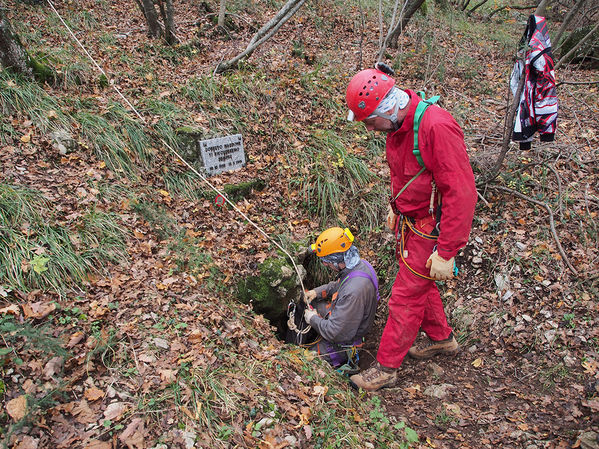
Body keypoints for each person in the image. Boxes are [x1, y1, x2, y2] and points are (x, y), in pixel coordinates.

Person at [346, 64, 477, 391]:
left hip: (430, 231)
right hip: (411, 223)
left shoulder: (435, 127)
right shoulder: (397, 127)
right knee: (421, 283)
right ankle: (441, 337)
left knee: (404, 297)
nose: (370, 129)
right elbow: (406, 175)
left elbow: (461, 193)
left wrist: (446, 251)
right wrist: (397, 208)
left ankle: (387, 367)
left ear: (387, 107)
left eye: (370, 121)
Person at [301, 227, 379, 370]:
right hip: (345, 319)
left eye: (327, 262)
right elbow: (340, 285)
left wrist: (312, 319)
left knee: (302, 361)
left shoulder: (354, 291)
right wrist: (316, 292)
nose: (325, 264)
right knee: (303, 306)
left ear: (338, 261)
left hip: (342, 343)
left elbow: (334, 332)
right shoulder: (359, 265)